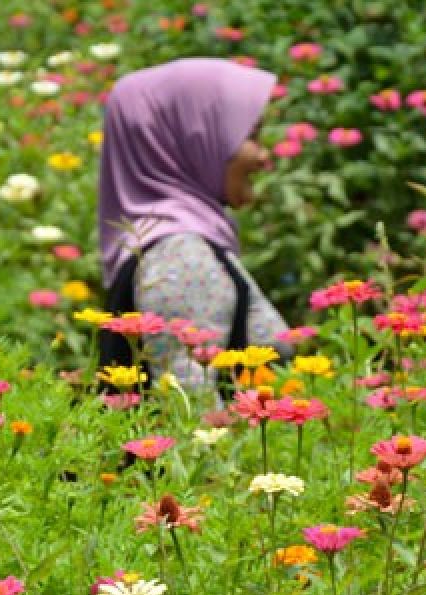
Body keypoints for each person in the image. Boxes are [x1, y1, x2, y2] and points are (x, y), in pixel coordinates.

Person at [97, 58, 292, 391]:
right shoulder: (181, 255)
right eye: (252, 136)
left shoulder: (162, 245)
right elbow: (190, 409)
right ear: (192, 138)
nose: (263, 156)